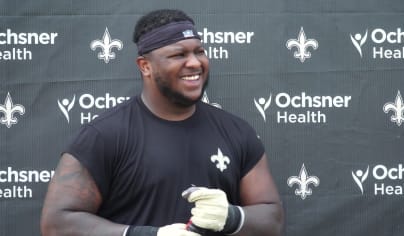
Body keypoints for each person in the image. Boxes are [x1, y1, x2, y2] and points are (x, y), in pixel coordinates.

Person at [41, 9, 284, 236]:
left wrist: (232, 217)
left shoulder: (236, 131)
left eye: (199, 51)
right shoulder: (105, 134)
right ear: (145, 66)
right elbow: (56, 223)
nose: (195, 63)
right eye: (178, 54)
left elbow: (273, 218)